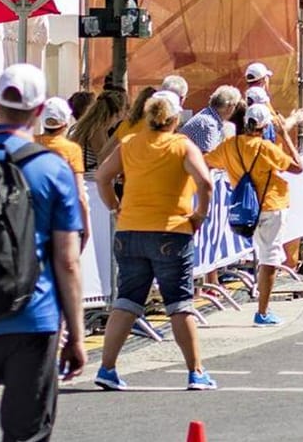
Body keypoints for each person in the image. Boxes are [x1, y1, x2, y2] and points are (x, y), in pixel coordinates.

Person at [0, 65, 86, 441]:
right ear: (40, 109)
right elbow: (67, 260)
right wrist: (76, 334)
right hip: (33, 314)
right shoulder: (51, 168)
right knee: (26, 433)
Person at [92, 91, 216, 391]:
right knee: (179, 303)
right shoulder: (182, 146)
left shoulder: (130, 143)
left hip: (130, 229)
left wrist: (115, 207)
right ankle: (195, 371)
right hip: (171, 230)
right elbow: (205, 182)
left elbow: (102, 177)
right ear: (175, 119)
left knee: (127, 300)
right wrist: (199, 215)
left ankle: (107, 367)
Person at [206, 104, 301, 326]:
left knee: (263, 255)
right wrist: (285, 135)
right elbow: (297, 166)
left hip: (246, 209)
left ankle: (263, 307)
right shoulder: (267, 148)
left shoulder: (230, 146)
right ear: (265, 125)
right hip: (271, 205)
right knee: (270, 259)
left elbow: (207, 161)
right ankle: (263, 311)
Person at [34, 96, 90, 248]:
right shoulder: (72, 150)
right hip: (63, 221)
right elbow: (80, 196)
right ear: (65, 122)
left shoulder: (30, 143)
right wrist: (86, 226)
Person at [177, 85, 239, 155]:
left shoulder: (209, 116)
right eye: (236, 105)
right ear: (230, 107)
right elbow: (207, 159)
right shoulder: (209, 124)